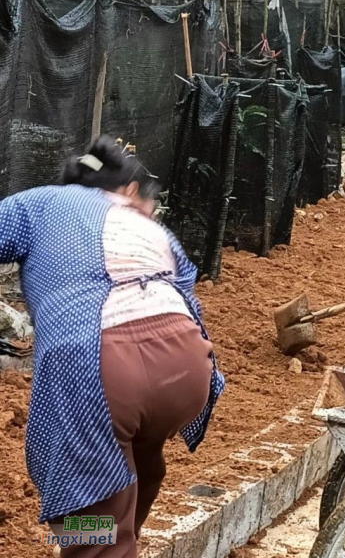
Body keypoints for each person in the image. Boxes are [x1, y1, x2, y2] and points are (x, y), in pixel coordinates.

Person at [0, 137, 225, 557]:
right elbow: (186, 291)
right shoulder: (146, 225)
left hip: (102, 368)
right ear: (129, 191)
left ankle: (105, 544)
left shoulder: (39, 203)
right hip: (188, 369)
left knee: (91, 519)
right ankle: (118, 540)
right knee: (139, 464)